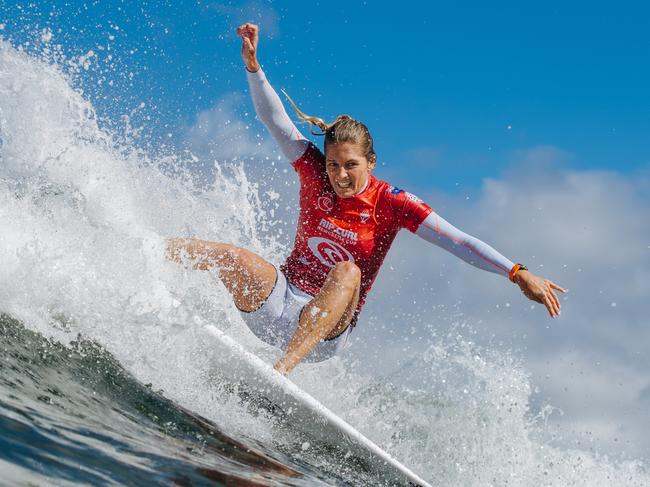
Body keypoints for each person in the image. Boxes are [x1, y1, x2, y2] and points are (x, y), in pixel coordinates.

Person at [167, 23, 566, 376]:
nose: (340, 175)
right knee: (232, 257)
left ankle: (281, 372)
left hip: (324, 331)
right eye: (334, 165)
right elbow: (276, 122)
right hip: (278, 303)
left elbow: (459, 241)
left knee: (347, 272)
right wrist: (254, 68)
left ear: (371, 163)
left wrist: (516, 272)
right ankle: (142, 248)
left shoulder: (393, 202)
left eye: (351, 166)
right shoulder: (313, 170)